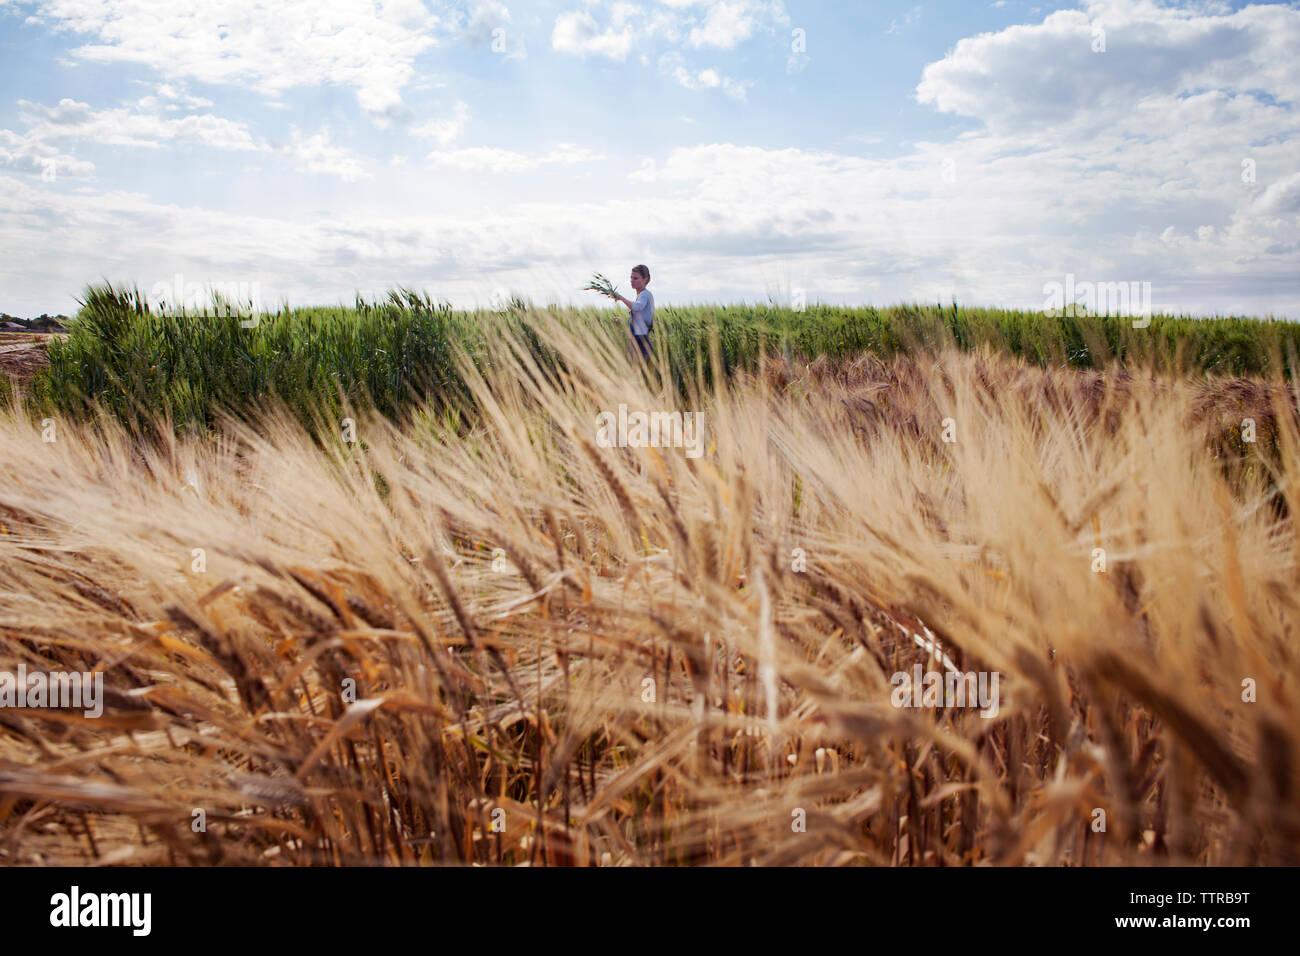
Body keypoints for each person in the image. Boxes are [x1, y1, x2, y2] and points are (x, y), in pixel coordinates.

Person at [612, 264, 654, 361]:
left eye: (635, 278)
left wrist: (621, 298)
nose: (632, 280)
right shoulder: (643, 295)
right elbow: (639, 322)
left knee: (637, 374)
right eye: (631, 277)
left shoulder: (644, 295)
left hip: (641, 345)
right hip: (638, 343)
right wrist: (623, 321)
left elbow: (637, 307)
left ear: (645, 280)